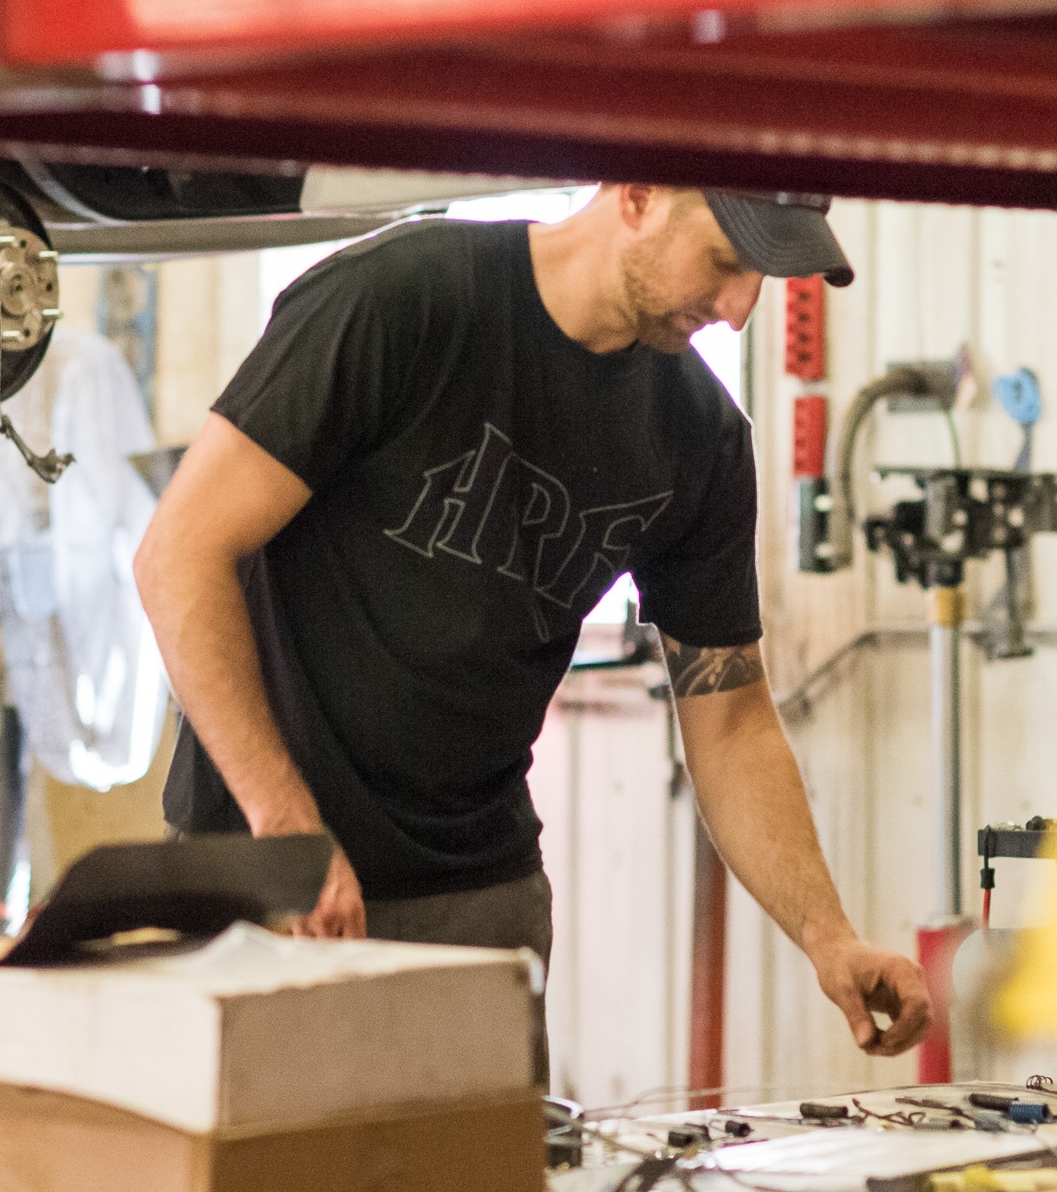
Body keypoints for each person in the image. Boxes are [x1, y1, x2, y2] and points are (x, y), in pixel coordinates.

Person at [134, 184, 931, 1059]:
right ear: (637, 195)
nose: (740, 311)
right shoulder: (401, 301)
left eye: (763, 280)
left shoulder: (699, 437)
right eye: (727, 261)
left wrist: (828, 932)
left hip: (478, 892)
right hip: (265, 873)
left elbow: (732, 716)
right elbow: (181, 554)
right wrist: (284, 829)